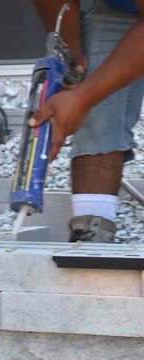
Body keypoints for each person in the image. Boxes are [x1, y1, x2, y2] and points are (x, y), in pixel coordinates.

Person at [31, 0, 144, 242]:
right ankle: (90, 235)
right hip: (119, 8)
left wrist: (83, 98)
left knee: (87, 96)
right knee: (97, 106)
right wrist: (72, 54)